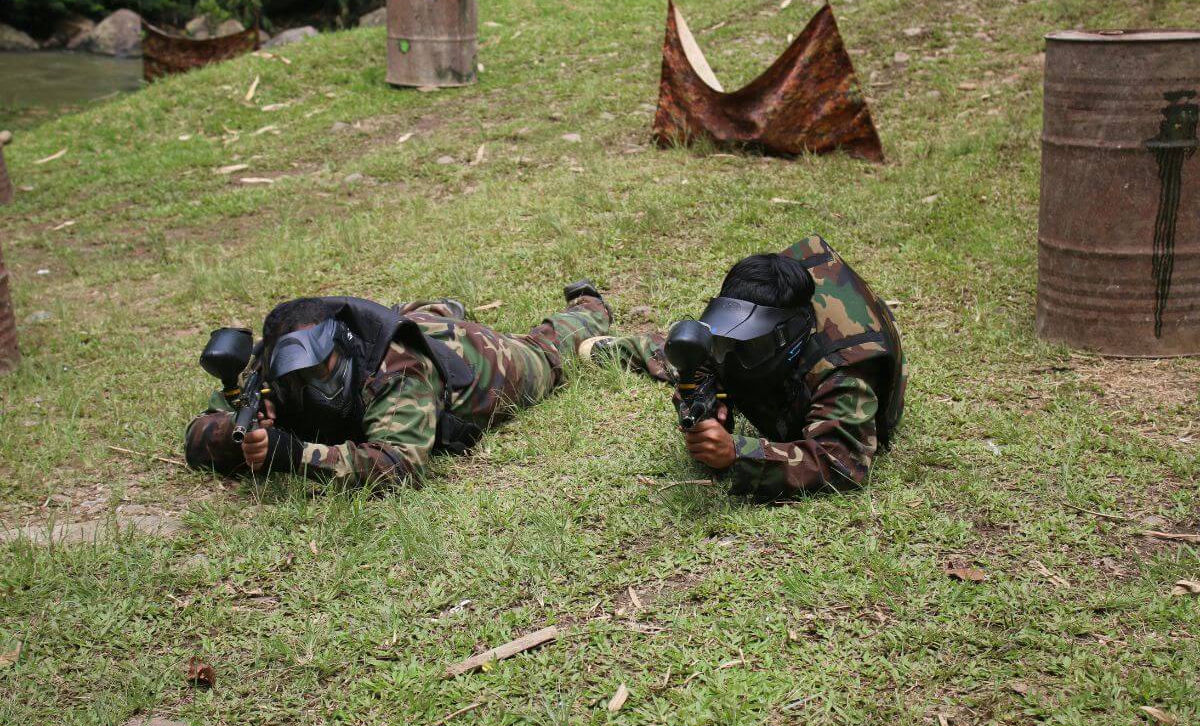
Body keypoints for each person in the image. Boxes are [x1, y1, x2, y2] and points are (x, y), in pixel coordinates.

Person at [184, 282, 611, 488]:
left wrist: (294, 454)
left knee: (545, 354)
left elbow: (400, 466)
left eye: (321, 368)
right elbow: (198, 435)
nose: (313, 383)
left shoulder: (397, 369)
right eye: (298, 378)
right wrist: (233, 435)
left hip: (470, 363)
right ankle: (430, 310)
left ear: (342, 346)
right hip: (405, 328)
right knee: (424, 317)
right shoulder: (269, 369)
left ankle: (588, 306)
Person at [581, 236, 906, 500]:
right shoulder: (747, 335)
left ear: (787, 336)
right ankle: (627, 348)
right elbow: (708, 358)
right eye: (727, 342)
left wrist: (738, 453)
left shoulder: (846, 370)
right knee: (685, 348)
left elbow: (840, 463)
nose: (731, 359)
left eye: (749, 345)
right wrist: (704, 400)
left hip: (827, 360)